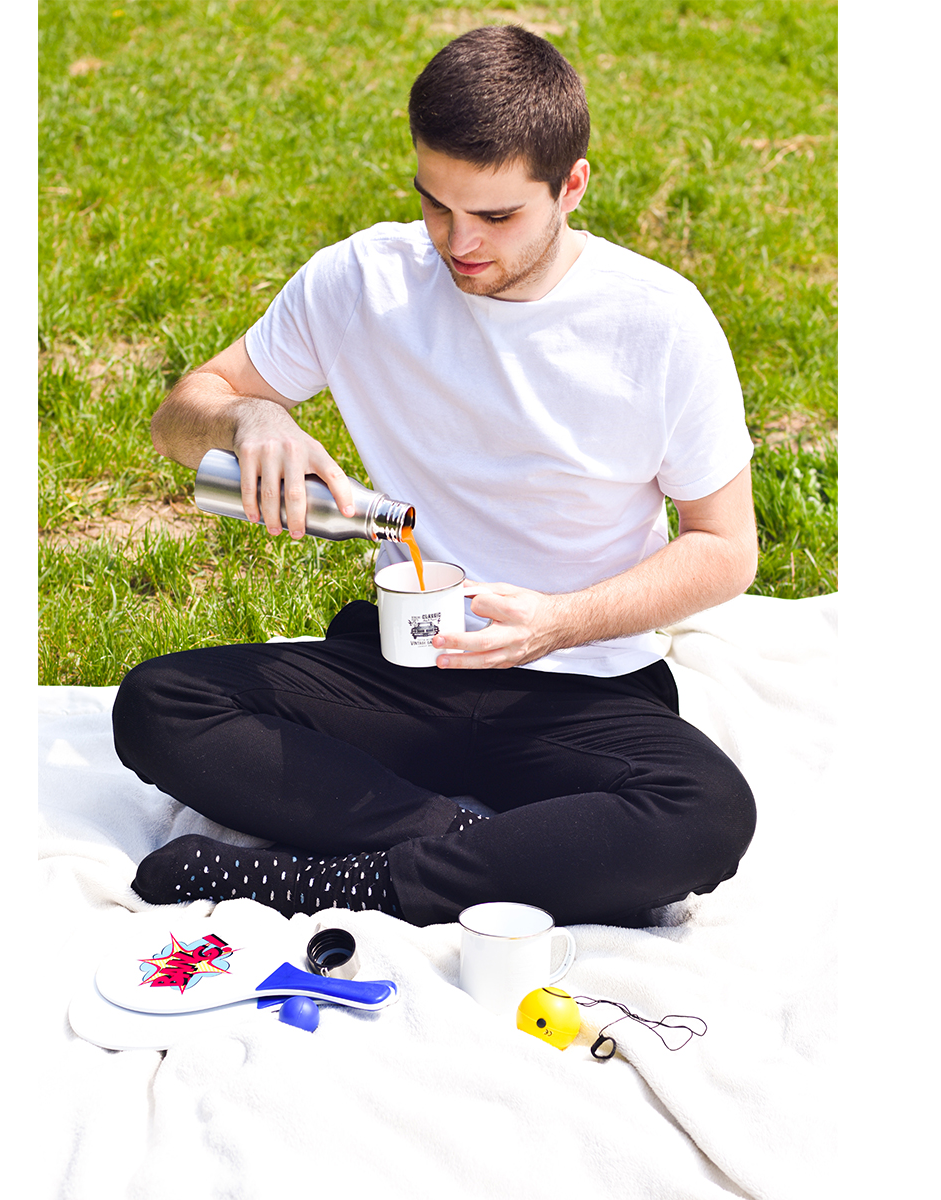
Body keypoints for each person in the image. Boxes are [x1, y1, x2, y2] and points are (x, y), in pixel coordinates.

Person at [112, 25, 758, 929]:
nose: (459, 242)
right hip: (407, 664)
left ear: (571, 187)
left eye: (497, 216)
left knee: (708, 814)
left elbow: (725, 548)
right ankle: (476, 851)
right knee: (160, 705)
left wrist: (561, 621)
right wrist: (249, 418)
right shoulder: (361, 281)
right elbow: (181, 413)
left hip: (583, 681)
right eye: (435, 204)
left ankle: (338, 881)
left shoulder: (660, 323)